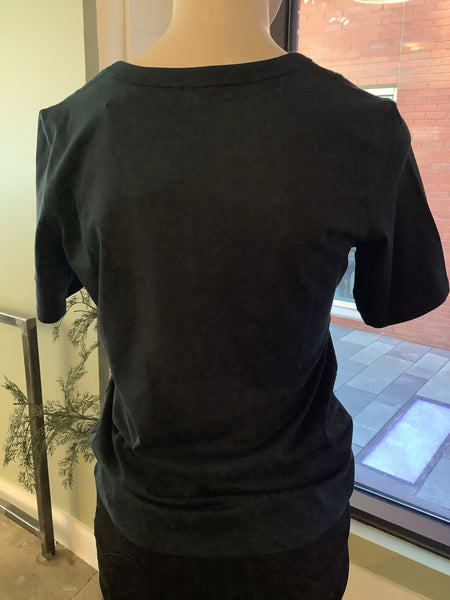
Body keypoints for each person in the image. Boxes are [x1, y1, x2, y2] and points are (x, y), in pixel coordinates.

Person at [34, 1, 449, 598]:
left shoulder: (74, 126)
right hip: (287, 525)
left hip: (152, 521)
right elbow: (398, 298)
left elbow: (58, 290)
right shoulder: (362, 125)